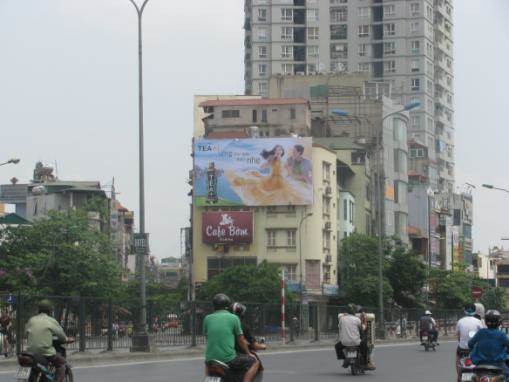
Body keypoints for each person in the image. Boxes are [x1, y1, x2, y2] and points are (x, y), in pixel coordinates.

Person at [204, 294, 259, 382]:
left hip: (210, 359)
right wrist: (249, 353)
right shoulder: (234, 318)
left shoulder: (207, 318)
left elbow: (207, 337)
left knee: (208, 365)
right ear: (227, 306)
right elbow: (241, 340)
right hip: (228, 359)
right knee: (254, 362)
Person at [25, 300, 70, 382]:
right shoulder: (51, 320)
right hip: (45, 352)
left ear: (38, 309)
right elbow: (61, 334)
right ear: (50, 310)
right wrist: (66, 339)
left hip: (30, 352)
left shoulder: (31, 320)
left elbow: (26, 333)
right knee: (62, 364)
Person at [468, 310, 509, 380]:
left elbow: (470, 344)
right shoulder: (501, 335)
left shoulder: (480, 332)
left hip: (480, 365)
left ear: (486, 321)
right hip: (498, 365)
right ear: (498, 322)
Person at [456, 303, 483, 377]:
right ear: (475, 311)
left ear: (464, 310)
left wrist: (463, 343)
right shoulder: (478, 322)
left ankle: (459, 376)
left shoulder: (460, 321)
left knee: (458, 360)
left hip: (462, 349)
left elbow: (459, 337)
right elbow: (482, 335)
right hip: (475, 349)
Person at [335, 304, 363, 368]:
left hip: (344, 342)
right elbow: (361, 328)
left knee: (337, 346)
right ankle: (366, 361)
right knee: (365, 346)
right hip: (355, 342)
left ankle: (343, 358)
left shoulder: (342, 319)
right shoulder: (357, 319)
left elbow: (339, 327)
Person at [355, 306, 375, 370]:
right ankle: (367, 363)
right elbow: (364, 328)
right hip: (360, 339)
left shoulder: (352, 317)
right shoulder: (361, 317)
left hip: (352, 339)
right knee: (367, 348)